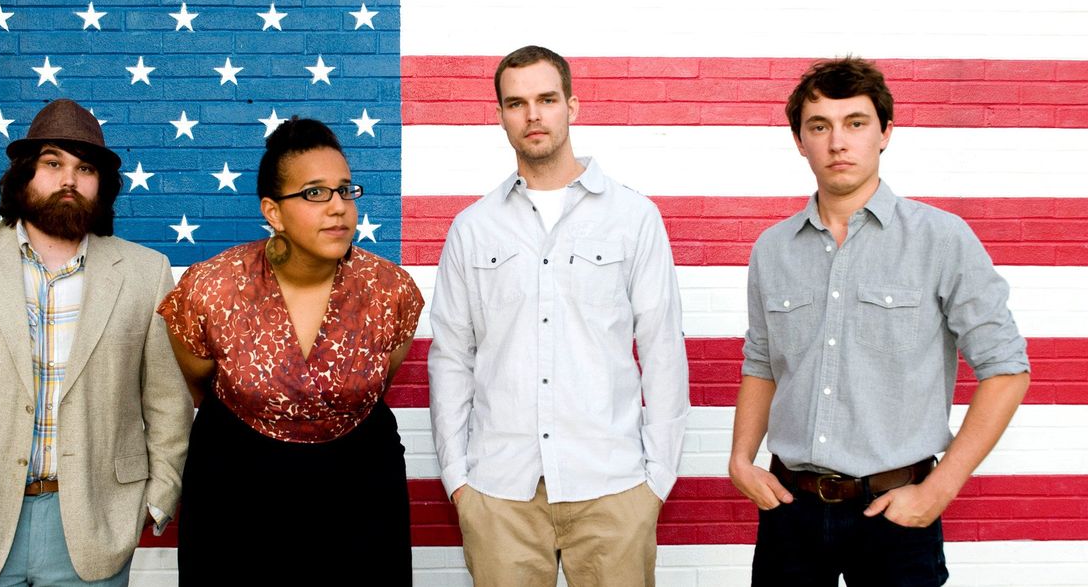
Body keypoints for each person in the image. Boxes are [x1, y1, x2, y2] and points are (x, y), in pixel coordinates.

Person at [729, 56, 1031, 585]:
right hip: (790, 512)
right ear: (799, 141)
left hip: (897, 515)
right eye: (819, 127)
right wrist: (740, 460)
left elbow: (1006, 369)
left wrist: (939, 491)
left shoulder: (941, 239)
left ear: (885, 132)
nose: (837, 143)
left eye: (855, 123)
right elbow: (762, 363)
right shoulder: (773, 249)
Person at [0, 98, 194, 586]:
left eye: (85, 168)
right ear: (25, 174)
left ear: (102, 184)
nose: (69, 179)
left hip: (93, 529)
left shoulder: (145, 272)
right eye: (53, 163)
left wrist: (156, 500)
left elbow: (168, 404)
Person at [427, 45, 689, 586]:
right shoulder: (473, 228)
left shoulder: (633, 218)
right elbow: (451, 356)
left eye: (547, 99)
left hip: (612, 488)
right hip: (500, 493)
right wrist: (458, 479)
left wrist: (657, 479)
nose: (533, 115)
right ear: (500, 115)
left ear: (572, 106)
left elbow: (662, 347)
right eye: (516, 103)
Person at [158, 117, 423, 585]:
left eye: (345, 190)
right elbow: (199, 383)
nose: (338, 207)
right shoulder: (210, 288)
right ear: (273, 212)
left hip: (361, 491)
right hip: (236, 490)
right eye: (315, 193)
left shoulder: (391, 289)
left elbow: (381, 377)